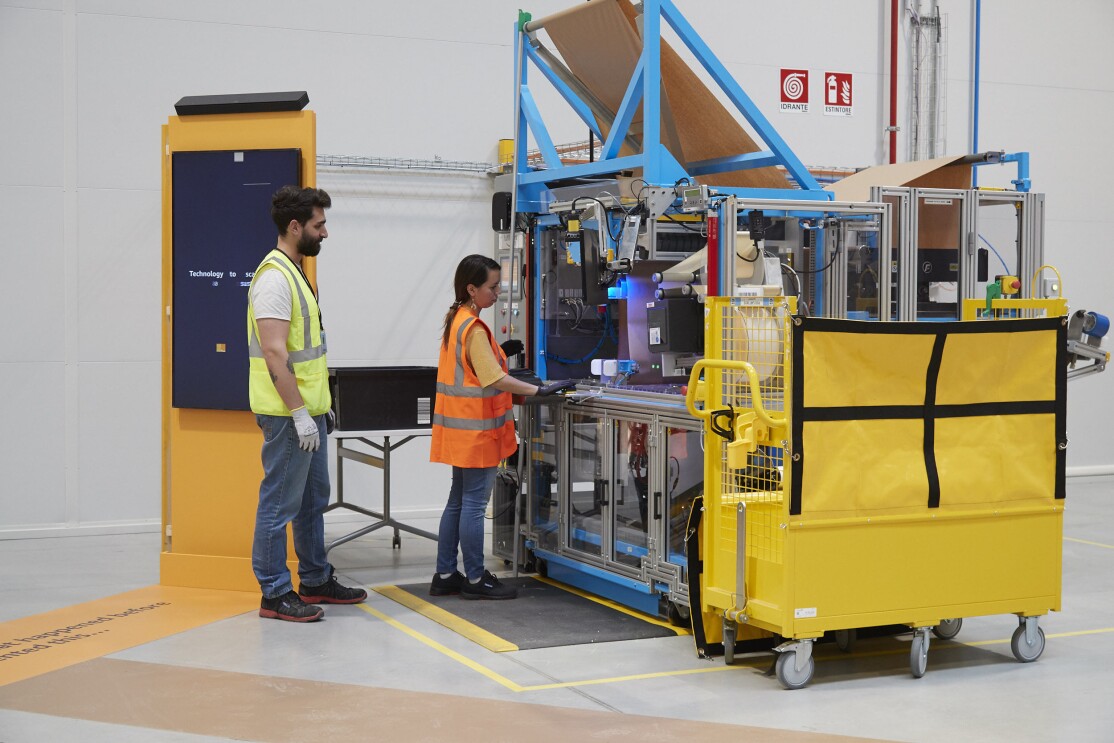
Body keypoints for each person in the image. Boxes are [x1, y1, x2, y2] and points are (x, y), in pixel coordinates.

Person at [246, 185, 367, 622]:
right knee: (279, 504)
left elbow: (307, 353)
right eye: (319, 225)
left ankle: (315, 578)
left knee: (314, 498)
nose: (325, 233)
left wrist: (319, 406)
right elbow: (275, 353)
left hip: (309, 413)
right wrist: (299, 413)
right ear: (295, 227)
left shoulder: (297, 274)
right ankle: (275, 593)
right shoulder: (275, 279)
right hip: (286, 416)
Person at [429, 254, 573, 600]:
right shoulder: (474, 327)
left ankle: (446, 573)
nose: (497, 294)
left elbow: (474, 368)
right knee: (475, 505)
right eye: (492, 288)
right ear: (471, 289)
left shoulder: (457, 319)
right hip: (478, 432)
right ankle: (476, 579)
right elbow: (493, 378)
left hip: (458, 430)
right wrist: (539, 390)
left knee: (457, 502)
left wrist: (501, 352)